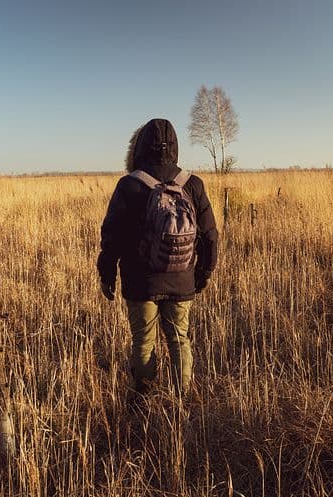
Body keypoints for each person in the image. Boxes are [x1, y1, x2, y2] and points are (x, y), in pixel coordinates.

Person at [97, 118, 218, 397]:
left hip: (141, 283)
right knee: (179, 340)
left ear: (139, 147)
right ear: (175, 147)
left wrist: (107, 274)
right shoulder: (193, 184)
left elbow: (111, 236)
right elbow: (210, 235)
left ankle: (142, 399)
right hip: (182, 279)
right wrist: (204, 273)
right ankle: (181, 401)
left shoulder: (129, 185)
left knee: (143, 342)